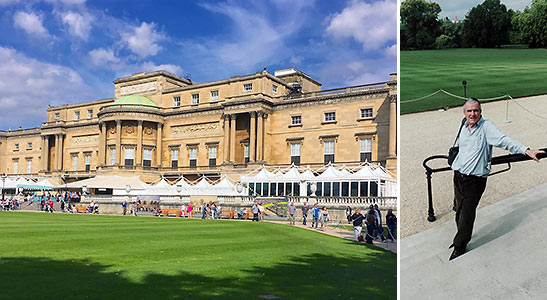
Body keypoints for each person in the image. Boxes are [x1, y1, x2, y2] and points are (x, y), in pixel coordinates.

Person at [449, 98, 544, 261]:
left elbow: (504, 140)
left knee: (467, 212)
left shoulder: (487, 127)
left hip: (475, 179)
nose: (473, 114)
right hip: (458, 175)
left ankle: (460, 245)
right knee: (459, 209)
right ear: (464, 113)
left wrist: (526, 150)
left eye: (476, 110)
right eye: (469, 111)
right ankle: (460, 235)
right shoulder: (463, 126)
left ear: (481, 111)